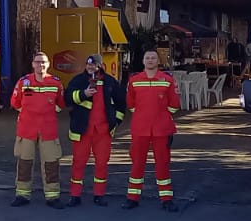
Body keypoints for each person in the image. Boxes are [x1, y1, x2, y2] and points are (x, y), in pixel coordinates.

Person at [67, 54, 126, 207]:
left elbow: (121, 104)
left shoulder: (110, 82)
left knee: (102, 163)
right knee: (78, 163)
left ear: (100, 66)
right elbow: (67, 98)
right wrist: (83, 94)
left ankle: (99, 194)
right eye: (88, 64)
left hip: (103, 131)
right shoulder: (78, 80)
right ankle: (75, 195)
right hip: (82, 129)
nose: (90, 67)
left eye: (93, 65)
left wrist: (116, 122)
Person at [126, 49, 181, 211]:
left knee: (162, 164)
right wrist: (144, 116)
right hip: (140, 128)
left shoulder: (167, 80)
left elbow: (174, 104)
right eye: (147, 58)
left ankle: (166, 199)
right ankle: (132, 198)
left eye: (153, 58)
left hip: (161, 129)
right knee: (137, 163)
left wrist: (161, 116)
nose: (150, 60)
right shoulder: (134, 80)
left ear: (158, 61)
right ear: (143, 61)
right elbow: (130, 104)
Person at [10, 51, 66, 208]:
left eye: (43, 62)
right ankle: (22, 194)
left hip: (48, 130)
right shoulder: (24, 82)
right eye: (37, 62)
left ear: (48, 65)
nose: (40, 65)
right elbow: (15, 103)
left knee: (51, 164)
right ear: (32, 64)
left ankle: (52, 196)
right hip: (27, 129)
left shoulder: (56, 83)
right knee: (24, 163)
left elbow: (60, 104)